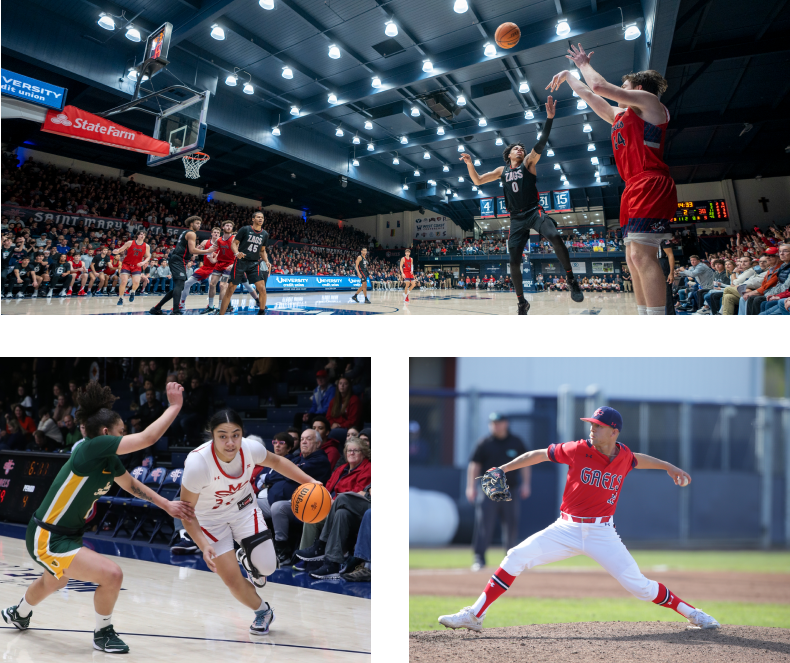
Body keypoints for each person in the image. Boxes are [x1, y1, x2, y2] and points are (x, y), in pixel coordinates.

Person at [438, 406, 721, 633]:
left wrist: (669, 467)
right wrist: (503, 467)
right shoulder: (577, 449)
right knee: (515, 556)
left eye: (598, 426)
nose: (592, 428)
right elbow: (538, 455)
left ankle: (693, 613)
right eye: (591, 424)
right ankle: (475, 614)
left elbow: (638, 458)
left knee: (641, 588)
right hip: (566, 528)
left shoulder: (623, 455)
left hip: (602, 534)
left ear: (614, 432)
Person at [1, 381, 194, 653]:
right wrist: (175, 406)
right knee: (112, 575)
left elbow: (131, 486)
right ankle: (103, 633)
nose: (124, 436)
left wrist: (167, 505)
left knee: (54, 580)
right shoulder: (90, 448)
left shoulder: (108, 460)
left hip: (66, 533)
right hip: (48, 535)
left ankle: (18, 613)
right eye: (121, 432)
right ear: (106, 433)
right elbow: (149, 438)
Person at [549, 46, 676, 315]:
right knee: (632, 258)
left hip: (650, 181)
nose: (621, 89)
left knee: (642, 255)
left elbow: (598, 85)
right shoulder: (620, 116)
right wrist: (569, 75)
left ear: (638, 88)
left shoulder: (651, 104)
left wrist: (583, 63)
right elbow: (588, 93)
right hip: (632, 187)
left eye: (625, 86)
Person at [177, 409, 324, 634]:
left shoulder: (250, 448)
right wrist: (203, 544)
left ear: (242, 434)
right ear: (212, 435)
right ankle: (262, 611)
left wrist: (310, 481)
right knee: (232, 580)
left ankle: (249, 559)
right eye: (223, 436)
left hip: (243, 509)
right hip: (211, 521)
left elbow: (278, 462)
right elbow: (186, 512)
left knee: (268, 567)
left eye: (235, 434)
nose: (230, 442)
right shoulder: (198, 464)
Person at [461, 99, 581, 315]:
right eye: (516, 148)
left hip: (534, 212)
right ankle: (521, 302)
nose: (520, 149)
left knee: (554, 236)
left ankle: (571, 279)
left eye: (522, 148)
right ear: (508, 155)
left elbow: (541, 142)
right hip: (516, 219)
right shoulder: (501, 171)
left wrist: (550, 119)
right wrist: (470, 164)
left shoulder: (528, 163)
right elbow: (478, 181)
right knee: (513, 262)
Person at [293, 438, 371, 578]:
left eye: (356, 450)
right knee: (332, 513)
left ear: (363, 453)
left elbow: (357, 494)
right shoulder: (341, 469)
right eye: (349, 450)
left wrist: (332, 501)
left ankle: (321, 545)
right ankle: (331, 564)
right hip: (339, 507)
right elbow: (327, 488)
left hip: (358, 508)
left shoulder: (368, 468)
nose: (351, 453)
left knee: (342, 499)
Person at [257, 427, 331, 566]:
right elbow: (282, 474)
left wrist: (276, 476)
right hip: (285, 500)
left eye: (309, 439)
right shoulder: (298, 459)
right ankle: (256, 548)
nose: (304, 442)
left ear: (318, 443)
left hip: (308, 505)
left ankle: (282, 551)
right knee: (251, 505)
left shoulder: (320, 460)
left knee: (279, 508)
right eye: (302, 439)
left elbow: (291, 474)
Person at [466, 412, 530, 572]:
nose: (496, 425)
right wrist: (470, 487)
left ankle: (512, 560)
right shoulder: (484, 443)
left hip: (511, 490)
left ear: (506, 423)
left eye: (499, 422)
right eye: (493, 423)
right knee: (484, 526)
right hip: (489, 491)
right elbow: (474, 465)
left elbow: (526, 463)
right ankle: (479, 559)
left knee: (511, 525)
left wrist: (527, 484)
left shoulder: (516, 442)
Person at [149, 216, 217, 315]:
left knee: (179, 287)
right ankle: (176, 311)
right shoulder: (191, 234)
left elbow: (189, 251)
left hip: (180, 260)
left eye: (200, 223)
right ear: (191, 224)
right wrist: (208, 251)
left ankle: (156, 308)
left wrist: (191, 255)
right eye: (197, 223)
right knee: (180, 285)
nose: (199, 225)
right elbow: (192, 250)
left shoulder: (186, 233)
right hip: (178, 260)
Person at [218, 211, 270, 316]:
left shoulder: (265, 234)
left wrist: (267, 261)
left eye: (262, 218)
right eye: (258, 217)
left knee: (262, 288)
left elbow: (262, 250)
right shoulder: (245, 229)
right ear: (253, 219)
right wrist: (236, 253)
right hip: (241, 262)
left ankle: (261, 312)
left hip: (254, 263)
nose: (261, 219)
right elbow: (234, 243)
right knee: (231, 289)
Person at [203, 220, 237, 314]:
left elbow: (240, 252)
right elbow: (212, 249)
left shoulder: (234, 239)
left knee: (222, 285)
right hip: (219, 264)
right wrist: (207, 254)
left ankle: (220, 308)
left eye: (230, 226)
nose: (229, 227)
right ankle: (210, 306)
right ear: (223, 227)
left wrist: (234, 264)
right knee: (211, 284)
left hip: (229, 265)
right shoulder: (219, 240)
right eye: (227, 225)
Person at [112, 230, 150, 306]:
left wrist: (144, 262)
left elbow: (148, 256)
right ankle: (121, 298)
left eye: (144, 235)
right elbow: (121, 249)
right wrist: (116, 251)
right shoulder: (130, 242)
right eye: (141, 234)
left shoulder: (146, 246)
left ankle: (132, 292)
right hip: (126, 265)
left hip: (137, 266)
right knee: (123, 282)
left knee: (136, 282)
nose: (143, 236)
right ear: (138, 235)